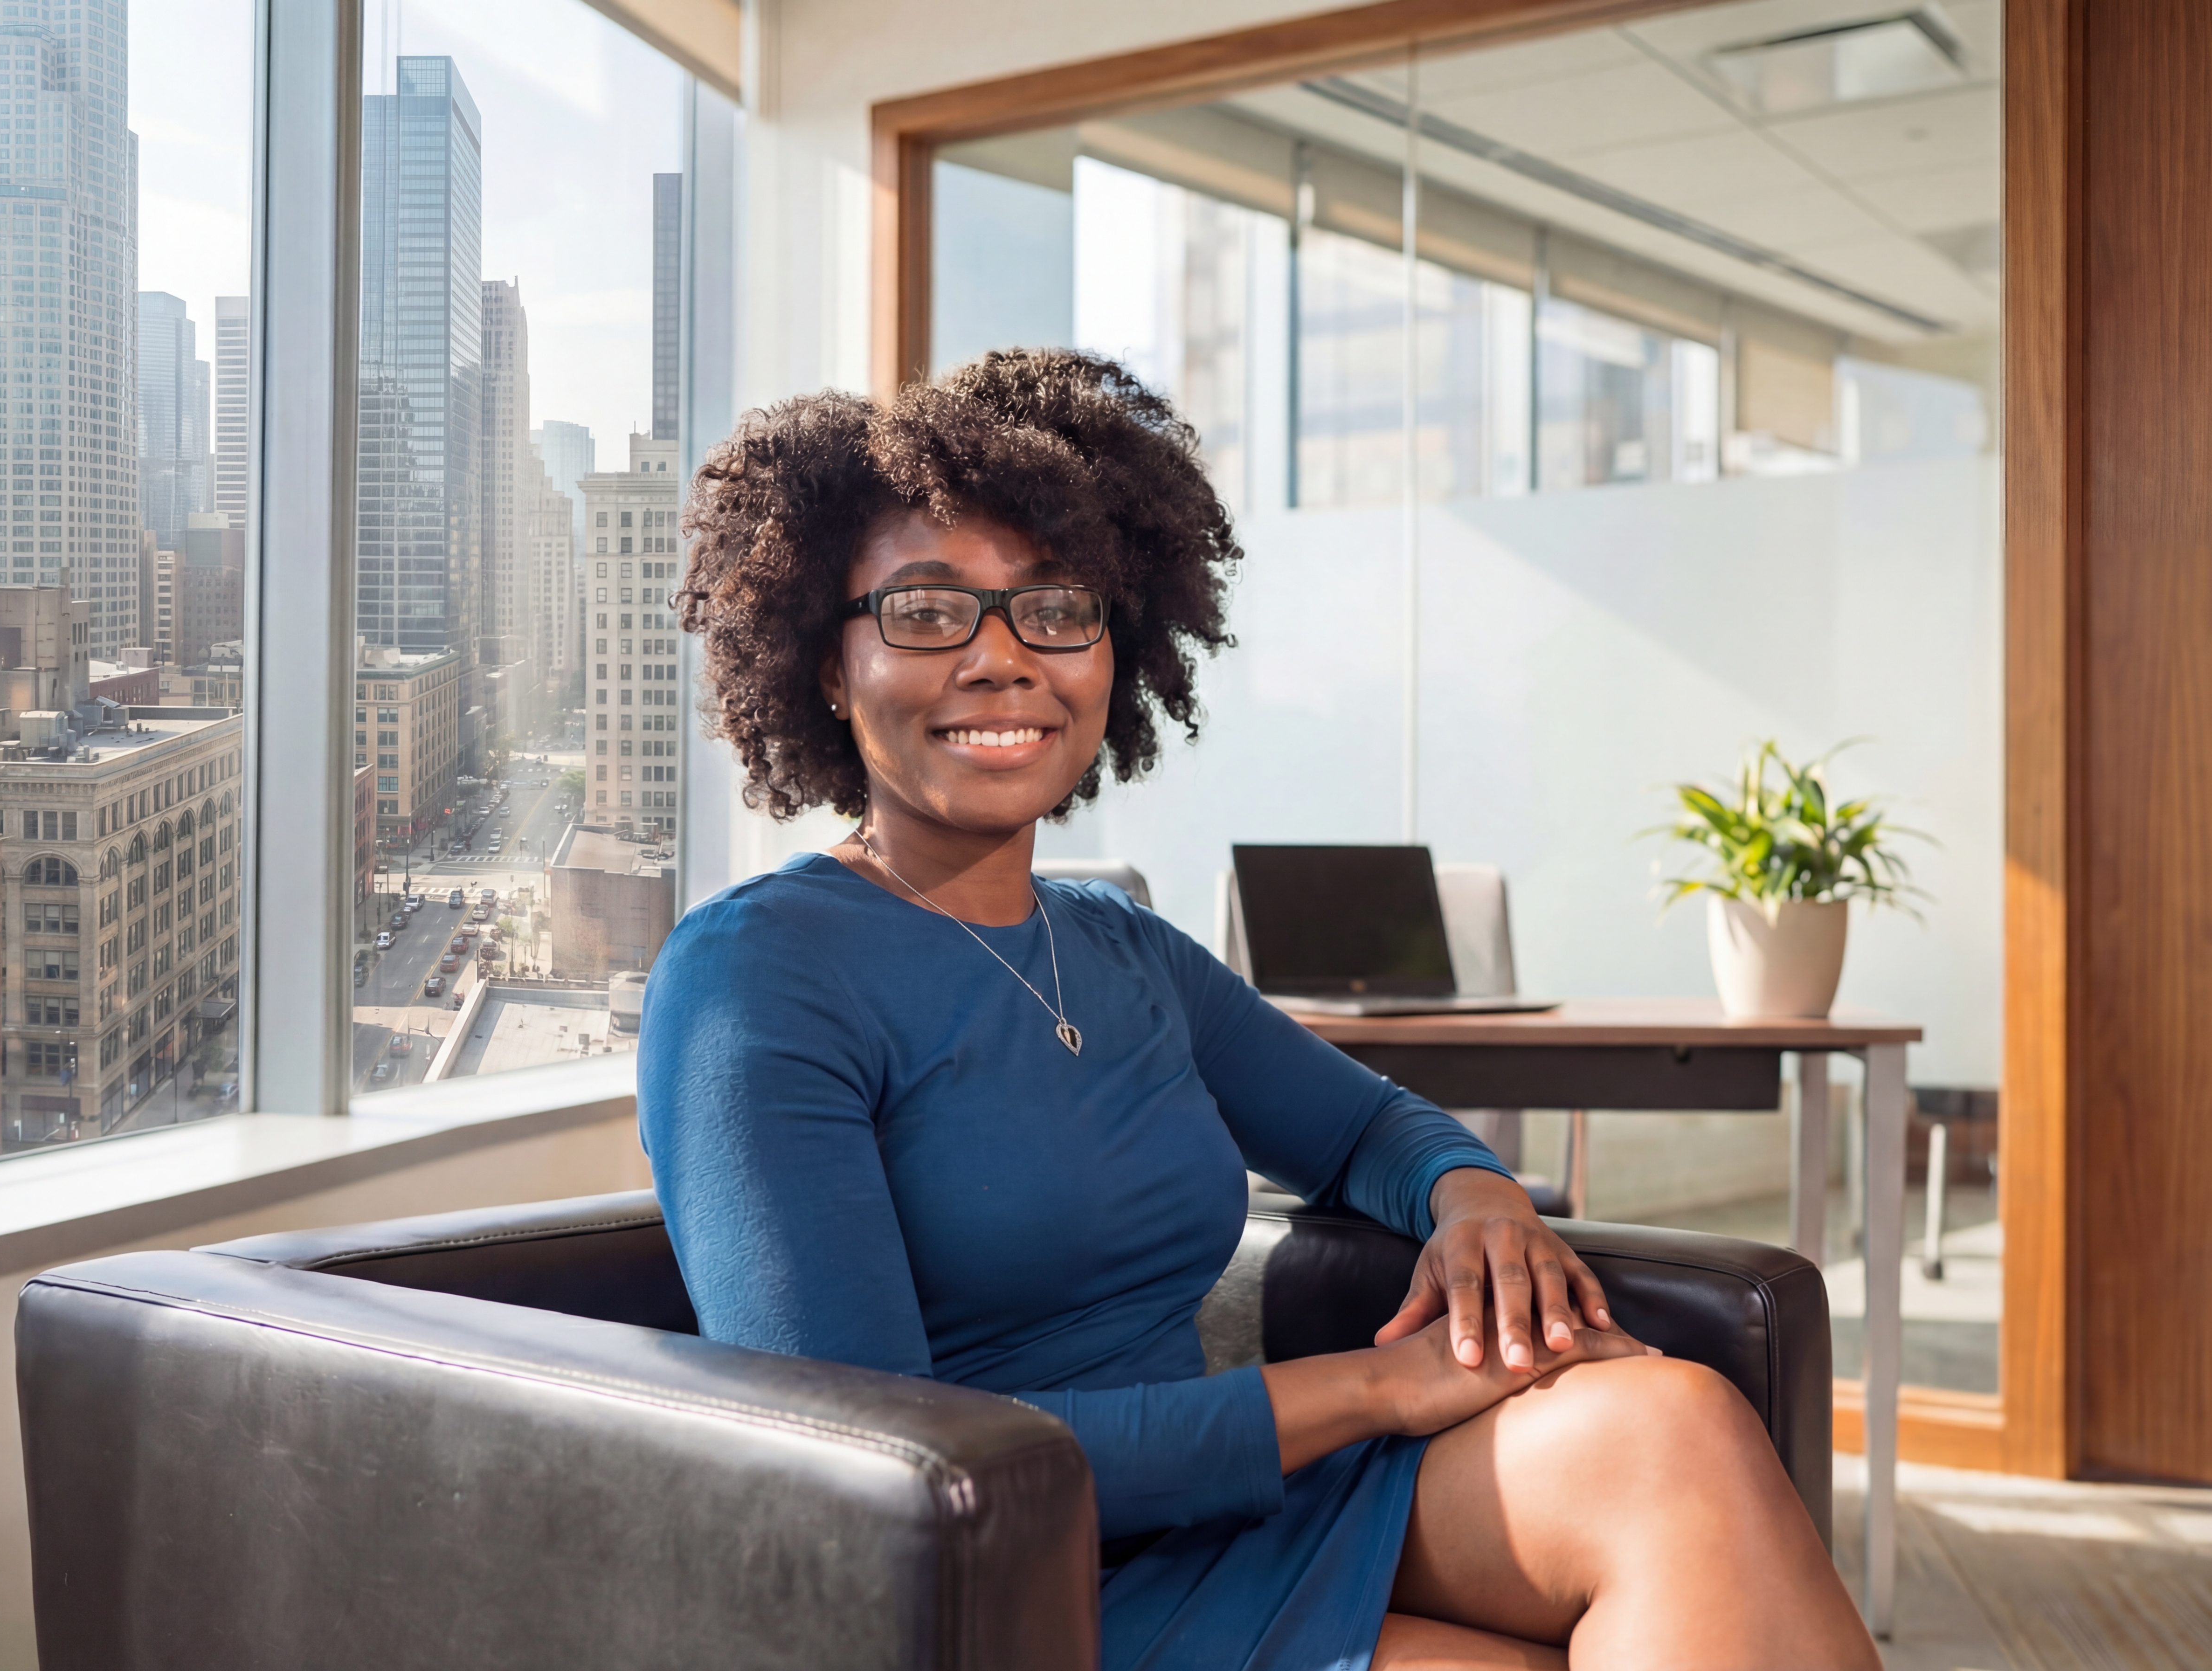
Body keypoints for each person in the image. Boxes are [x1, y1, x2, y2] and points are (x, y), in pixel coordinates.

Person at [637, 350, 1873, 1671]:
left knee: (1671, 1428)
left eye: (1055, 610)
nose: (1004, 663)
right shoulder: (757, 977)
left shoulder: (1117, 950)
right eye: (930, 613)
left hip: (1234, 1509)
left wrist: (1478, 1205)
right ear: (827, 670)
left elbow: (1369, 1131)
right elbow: (881, 1458)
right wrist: (1382, 1388)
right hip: (1015, 1584)